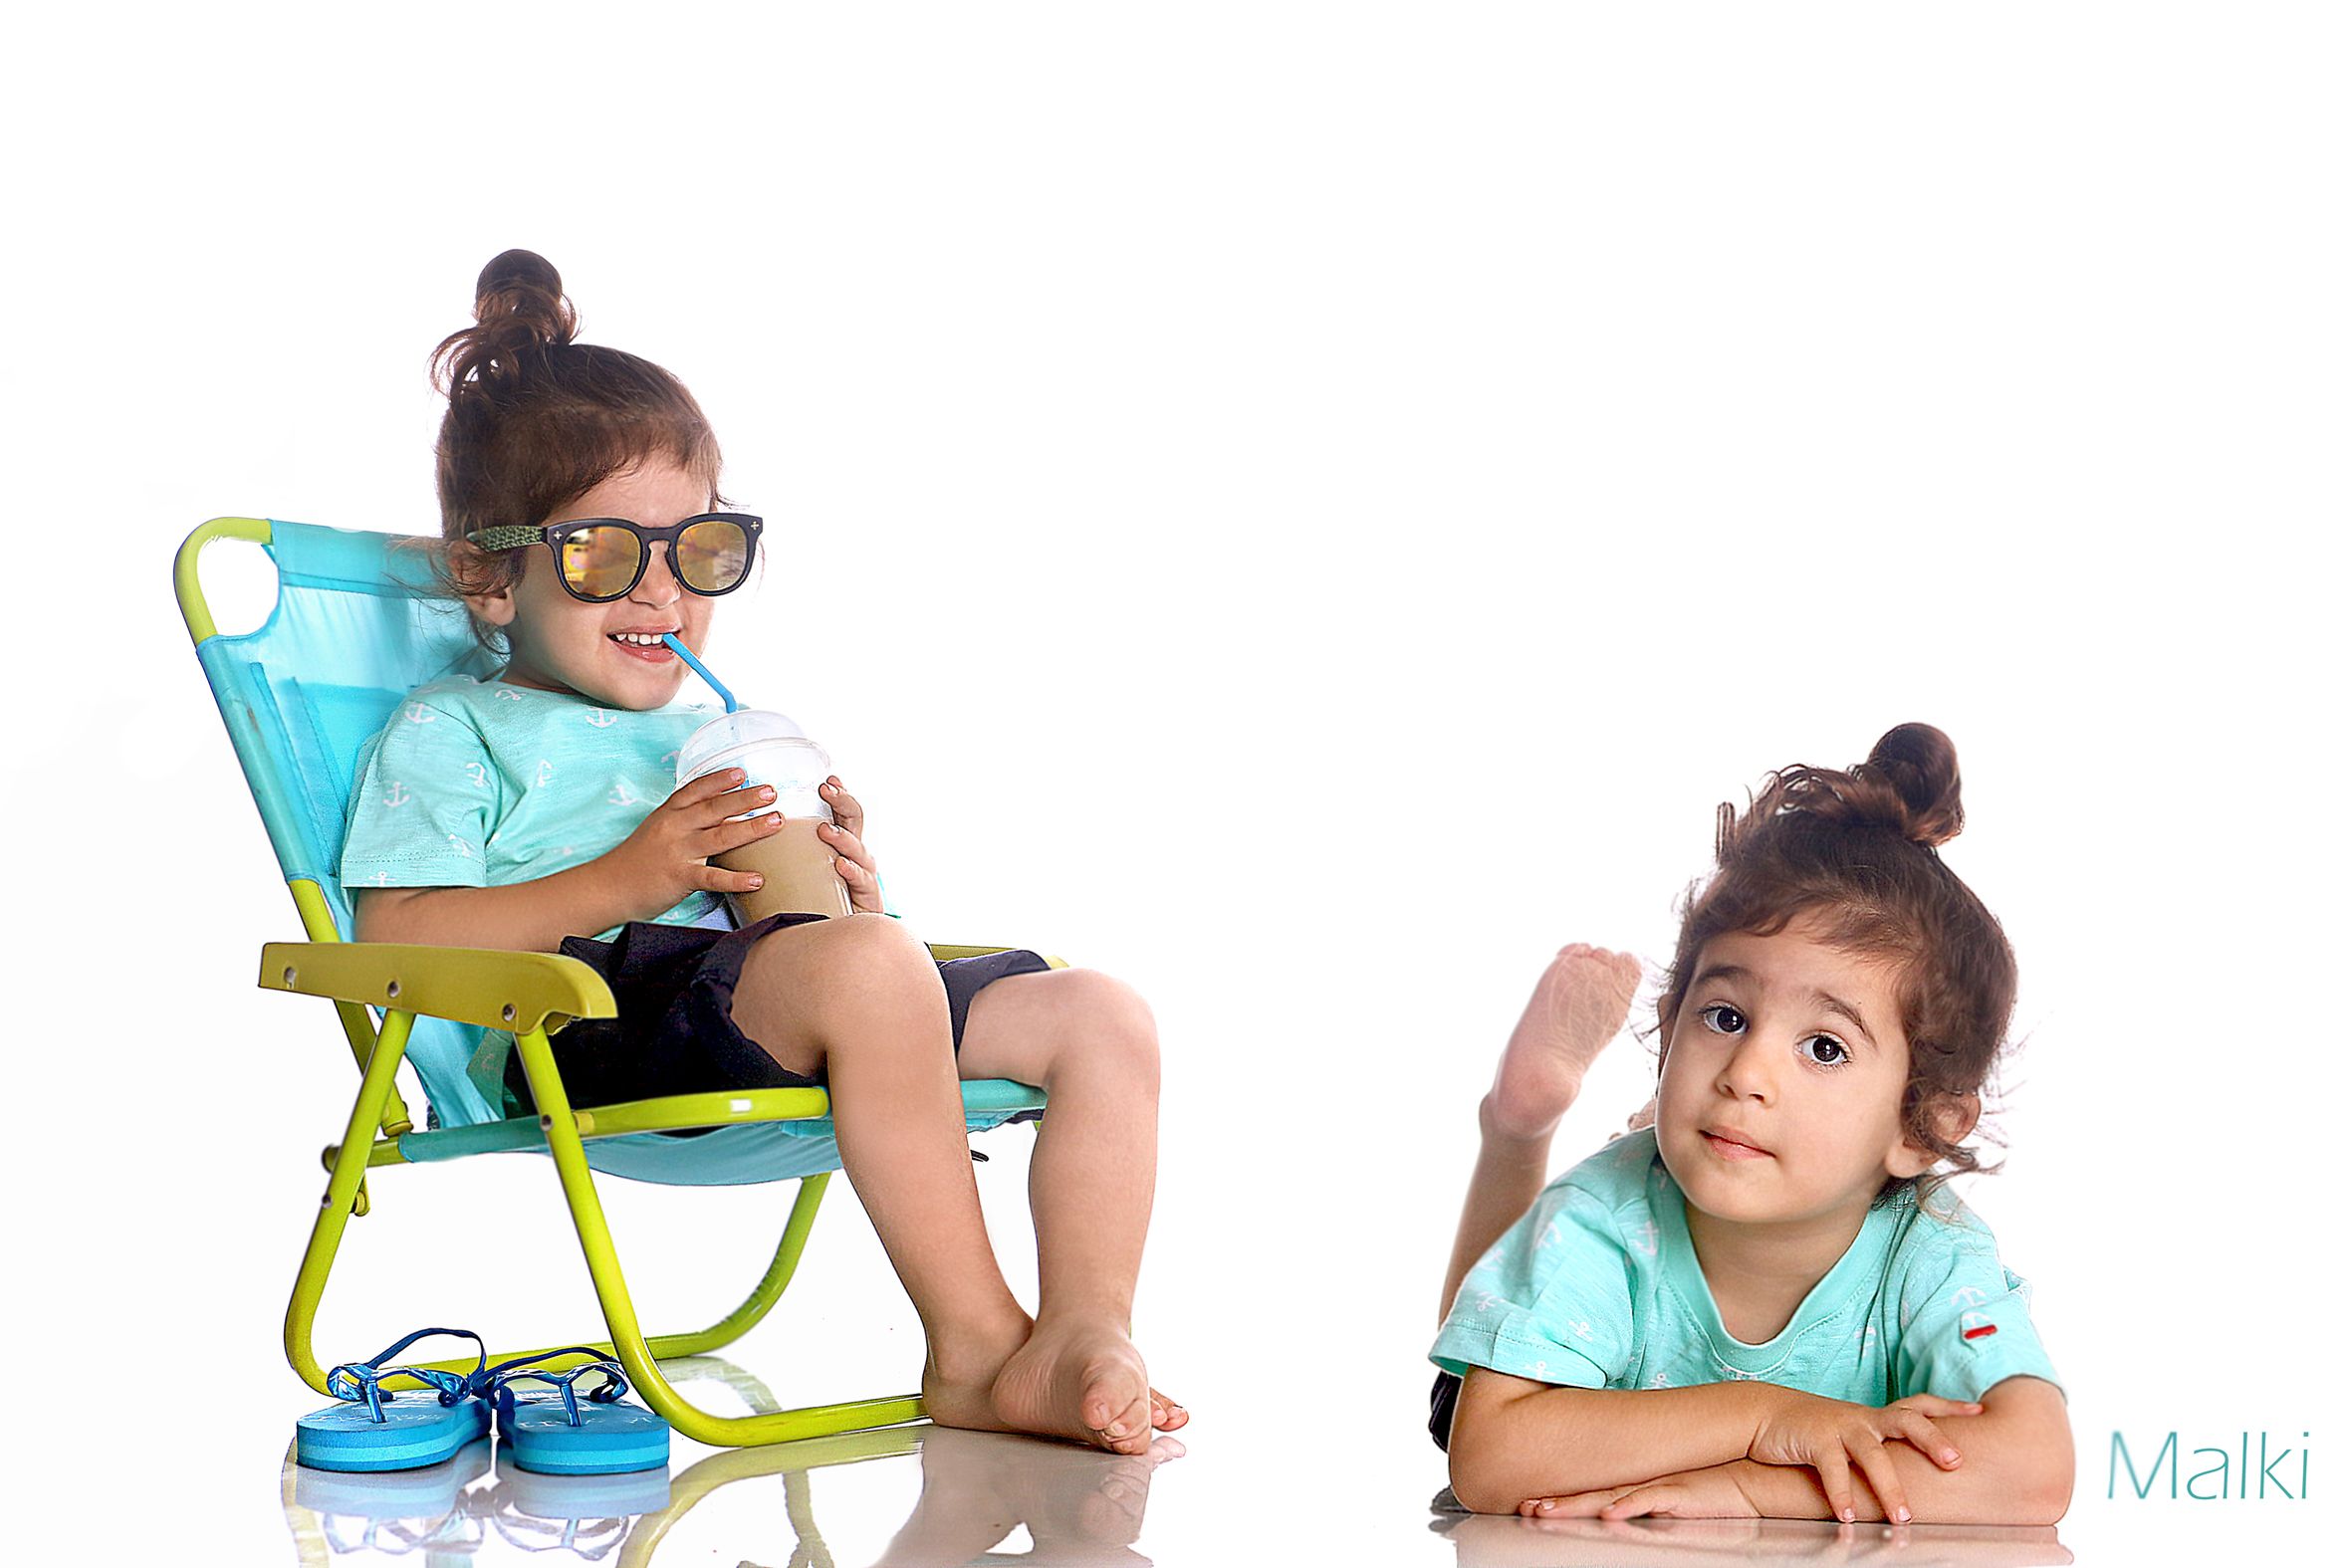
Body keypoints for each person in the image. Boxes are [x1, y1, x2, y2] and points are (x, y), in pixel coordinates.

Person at [341, 250, 1183, 1456]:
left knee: (1099, 1013)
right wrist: (628, 880)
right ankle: (976, 1345)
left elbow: (798, 951)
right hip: (581, 1030)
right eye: (604, 555)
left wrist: (842, 896)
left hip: (768, 1000)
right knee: (871, 967)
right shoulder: (451, 729)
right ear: (487, 574)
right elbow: (394, 937)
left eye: (697, 550)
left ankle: (1086, 1329)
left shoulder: (705, 730)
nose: (662, 595)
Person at [1429, 724, 2070, 1522]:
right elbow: (1487, 1458)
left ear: (1923, 1125)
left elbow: (2035, 1469)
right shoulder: (1606, 1215)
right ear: (1671, 1029)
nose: (1746, 1072)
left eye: (1825, 1047)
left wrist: (1748, 1489)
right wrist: (1764, 1418)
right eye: (1725, 1016)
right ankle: (1519, 1129)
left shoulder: (1931, 1253)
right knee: (1464, 1379)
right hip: (1557, 1352)